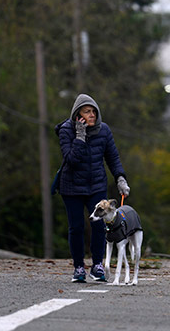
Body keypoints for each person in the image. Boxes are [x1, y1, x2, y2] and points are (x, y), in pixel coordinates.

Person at [55, 93, 130, 283]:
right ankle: (79, 268)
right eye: (87, 112)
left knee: (99, 226)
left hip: (96, 185)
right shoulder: (66, 131)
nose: (92, 115)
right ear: (77, 115)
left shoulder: (103, 130)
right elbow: (71, 160)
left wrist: (120, 178)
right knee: (76, 227)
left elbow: (112, 157)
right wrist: (80, 136)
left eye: (94, 111)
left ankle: (97, 266)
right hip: (71, 186)